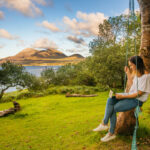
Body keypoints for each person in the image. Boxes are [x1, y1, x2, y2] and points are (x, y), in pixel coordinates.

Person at [93, 56, 150, 142]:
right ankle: (104, 124)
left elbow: (139, 94)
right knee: (110, 100)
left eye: (131, 65)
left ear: (137, 64)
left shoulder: (146, 76)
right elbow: (131, 85)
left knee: (114, 108)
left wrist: (123, 96)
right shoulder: (136, 72)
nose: (130, 67)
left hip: (137, 100)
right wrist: (127, 72)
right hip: (130, 94)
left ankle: (111, 133)